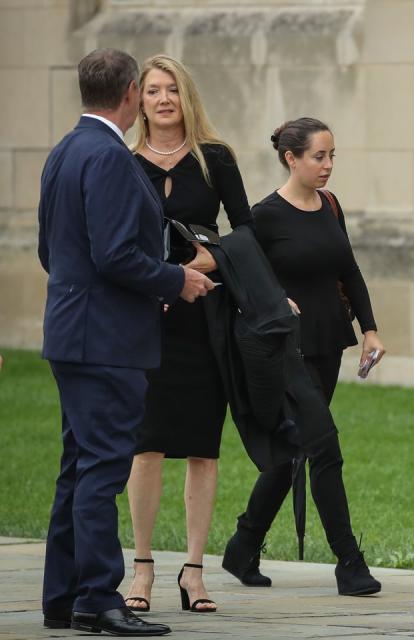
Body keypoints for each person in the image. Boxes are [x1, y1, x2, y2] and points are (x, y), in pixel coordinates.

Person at [38, 48, 213, 636]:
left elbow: (52, 251)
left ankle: (61, 597)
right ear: (132, 91)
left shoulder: (65, 150)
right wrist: (175, 279)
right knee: (104, 470)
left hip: (70, 332)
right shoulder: (109, 157)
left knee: (78, 468)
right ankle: (97, 599)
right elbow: (115, 255)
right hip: (108, 340)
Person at [221, 117, 384, 597]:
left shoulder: (330, 206)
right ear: (291, 158)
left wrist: (370, 329)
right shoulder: (263, 217)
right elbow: (237, 272)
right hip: (284, 352)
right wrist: (274, 298)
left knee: (294, 449)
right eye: (319, 156)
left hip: (328, 342)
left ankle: (243, 544)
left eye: (333, 156)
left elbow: (348, 269)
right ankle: (349, 563)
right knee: (324, 448)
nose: (328, 165)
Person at [122, 54, 252, 614]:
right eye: (153, 90)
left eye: (172, 89)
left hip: (205, 321)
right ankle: (143, 568)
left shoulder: (215, 158)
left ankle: (195, 571)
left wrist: (213, 259)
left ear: (186, 96)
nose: (164, 99)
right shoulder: (123, 161)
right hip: (145, 318)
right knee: (145, 445)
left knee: (202, 447)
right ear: (140, 100)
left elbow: (247, 230)